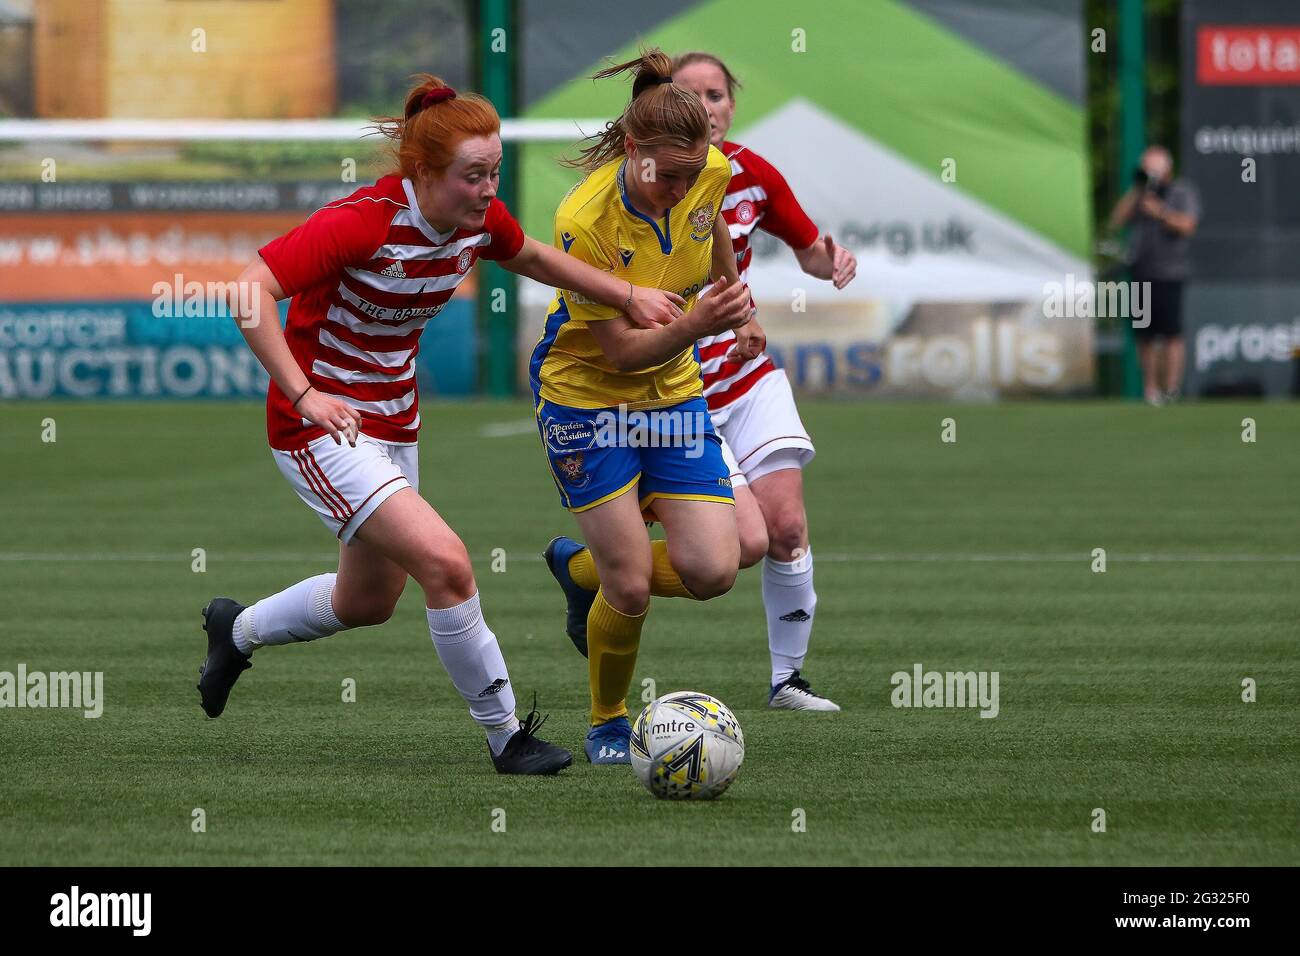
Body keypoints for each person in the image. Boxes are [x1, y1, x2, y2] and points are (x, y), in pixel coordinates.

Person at [197, 74, 689, 776]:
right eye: (472, 176)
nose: (488, 190)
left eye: (493, 172)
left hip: (393, 423)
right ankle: (506, 735)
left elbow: (534, 257)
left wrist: (629, 293)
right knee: (448, 564)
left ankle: (236, 630)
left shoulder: (476, 221)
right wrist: (306, 395)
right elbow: (249, 291)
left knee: (366, 601)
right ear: (423, 173)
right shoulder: (362, 222)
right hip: (319, 430)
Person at [535, 48, 760, 764]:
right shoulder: (585, 219)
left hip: (672, 398)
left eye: (695, 175)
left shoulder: (707, 174)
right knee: (630, 585)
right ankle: (607, 721)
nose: (681, 189)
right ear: (632, 151)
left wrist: (732, 298)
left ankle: (578, 571)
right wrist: (697, 324)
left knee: (715, 571)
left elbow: (712, 220)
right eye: (667, 174)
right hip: (588, 401)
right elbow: (624, 353)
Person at [670, 50, 857, 711]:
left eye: (715, 94)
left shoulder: (749, 173)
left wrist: (830, 261)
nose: (704, 107)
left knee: (786, 527)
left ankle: (787, 681)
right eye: (687, 95)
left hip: (745, 375)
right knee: (736, 550)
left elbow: (808, 248)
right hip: (675, 389)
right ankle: (594, 575)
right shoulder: (638, 180)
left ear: (732, 105)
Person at [1109, 145, 1200, 405]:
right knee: (1145, 335)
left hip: (1171, 272)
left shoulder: (1181, 191)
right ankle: (1150, 389)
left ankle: (1171, 390)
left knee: (1171, 333)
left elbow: (1188, 225)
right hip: (1141, 271)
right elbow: (1117, 220)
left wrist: (1160, 211)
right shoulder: (1140, 195)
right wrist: (1138, 190)